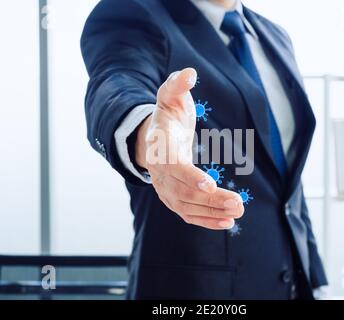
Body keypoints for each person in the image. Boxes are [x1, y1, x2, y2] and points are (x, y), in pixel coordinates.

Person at [81, 0, 328, 299]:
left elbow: (287, 179)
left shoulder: (274, 35)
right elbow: (117, 83)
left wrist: (315, 279)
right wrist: (151, 135)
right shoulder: (135, 13)